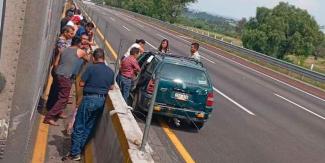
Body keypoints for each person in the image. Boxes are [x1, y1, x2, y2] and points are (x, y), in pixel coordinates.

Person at [62, 48, 115, 161]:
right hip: (101, 101)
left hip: (89, 99)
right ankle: (79, 149)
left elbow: (81, 83)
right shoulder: (110, 71)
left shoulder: (91, 68)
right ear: (103, 58)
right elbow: (111, 87)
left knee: (79, 126)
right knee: (88, 127)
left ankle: (75, 153)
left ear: (94, 58)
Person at [44, 36, 90, 126]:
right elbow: (88, 59)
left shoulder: (63, 49)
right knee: (64, 98)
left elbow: (56, 63)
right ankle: (49, 117)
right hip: (66, 77)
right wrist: (85, 50)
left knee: (58, 94)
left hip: (58, 73)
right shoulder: (80, 51)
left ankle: (58, 112)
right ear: (79, 44)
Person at [46, 25, 75, 110]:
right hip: (58, 68)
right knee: (55, 90)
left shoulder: (65, 41)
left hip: (60, 68)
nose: (72, 35)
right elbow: (63, 53)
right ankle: (51, 108)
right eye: (71, 33)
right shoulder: (61, 42)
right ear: (65, 32)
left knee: (57, 89)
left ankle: (52, 107)